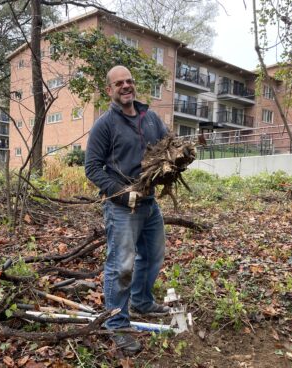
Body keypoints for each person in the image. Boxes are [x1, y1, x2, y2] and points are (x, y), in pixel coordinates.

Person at [85, 65, 169, 354]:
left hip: (149, 203)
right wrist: (121, 196)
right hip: (122, 207)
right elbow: (92, 168)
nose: (125, 86)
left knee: (154, 254)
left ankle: (142, 301)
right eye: (118, 83)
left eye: (129, 81)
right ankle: (117, 323)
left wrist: (177, 160)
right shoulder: (105, 124)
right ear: (110, 90)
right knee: (121, 266)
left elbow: (166, 149)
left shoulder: (151, 118)